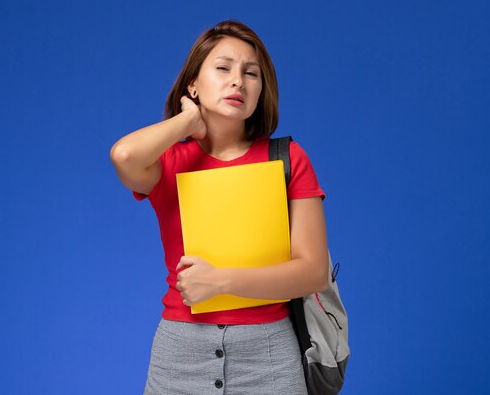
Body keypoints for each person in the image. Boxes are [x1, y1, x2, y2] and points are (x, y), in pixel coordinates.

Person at [110, 20, 329, 395]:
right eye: (223, 68)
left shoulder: (287, 159)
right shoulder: (170, 162)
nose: (238, 81)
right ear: (193, 83)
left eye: (251, 73)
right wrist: (186, 122)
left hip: (269, 356)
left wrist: (220, 281)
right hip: (180, 352)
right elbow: (124, 155)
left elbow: (314, 273)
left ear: (262, 90)